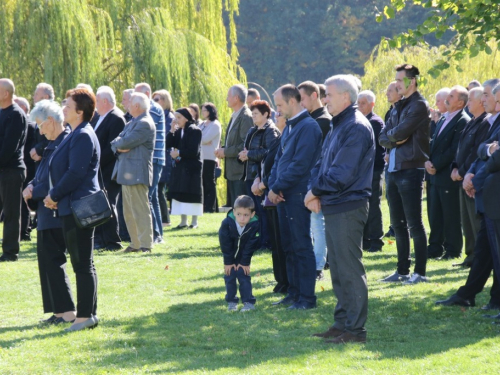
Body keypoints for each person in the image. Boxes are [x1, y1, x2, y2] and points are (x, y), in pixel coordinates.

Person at [306, 74, 374, 345]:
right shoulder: (339, 124)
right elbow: (321, 164)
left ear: (346, 97)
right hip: (335, 203)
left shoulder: (356, 127)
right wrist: (315, 190)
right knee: (338, 269)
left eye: (329, 95)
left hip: (348, 204)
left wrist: (315, 191)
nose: (325, 100)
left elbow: (340, 174)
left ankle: (355, 331)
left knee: (348, 269)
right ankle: (342, 324)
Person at [436, 79, 500, 310]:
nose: (484, 100)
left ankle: (493, 300)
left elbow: (494, 158)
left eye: (486, 95)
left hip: (492, 192)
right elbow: (482, 151)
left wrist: (473, 178)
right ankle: (468, 294)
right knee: (485, 250)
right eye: (481, 95)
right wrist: (470, 172)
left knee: (492, 250)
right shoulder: (488, 122)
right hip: (487, 193)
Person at [43, 88, 100, 331]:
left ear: (80, 111)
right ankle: (88, 315)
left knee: (82, 264)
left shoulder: (83, 135)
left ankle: (85, 316)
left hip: (78, 207)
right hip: (71, 206)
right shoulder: (75, 133)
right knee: (83, 262)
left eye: (67, 105)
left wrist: (54, 194)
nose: (63, 108)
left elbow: (75, 173)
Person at [268, 84, 322, 310]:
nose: (277, 111)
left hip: (297, 194)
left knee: (301, 246)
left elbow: (300, 165)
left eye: (279, 105)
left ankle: (307, 298)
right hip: (283, 194)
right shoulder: (290, 127)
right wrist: (273, 186)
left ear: (292, 101)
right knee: (288, 246)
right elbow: (278, 161)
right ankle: (294, 292)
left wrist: (277, 187)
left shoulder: (309, 127)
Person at [23, 99, 76, 324]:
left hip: (56, 212)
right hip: (45, 213)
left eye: (41, 125)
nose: (39, 130)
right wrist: (31, 185)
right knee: (46, 262)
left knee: (54, 261)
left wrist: (34, 191)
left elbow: (59, 179)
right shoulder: (51, 144)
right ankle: (57, 311)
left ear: (51, 122)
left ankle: (67, 312)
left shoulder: (64, 143)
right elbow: (41, 174)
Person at [379, 63, 431, 284]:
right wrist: (394, 140)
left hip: (410, 169)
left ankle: (420, 272)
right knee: (397, 223)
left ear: (412, 81)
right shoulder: (397, 106)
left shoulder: (419, 105)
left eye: (400, 80)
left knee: (414, 223)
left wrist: (394, 138)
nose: (397, 84)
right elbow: (384, 136)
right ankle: (402, 271)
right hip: (392, 170)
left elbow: (401, 132)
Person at [426, 86, 470, 260]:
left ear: (460, 102)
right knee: (435, 213)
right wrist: (427, 160)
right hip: (435, 174)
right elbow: (433, 142)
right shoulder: (445, 117)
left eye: (451, 96)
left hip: (446, 174)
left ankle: (453, 249)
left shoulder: (462, 120)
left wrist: (435, 164)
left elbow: (454, 149)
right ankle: (435, 247)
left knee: (450, 214)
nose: (447, 99)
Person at [111, 92, 155, 253]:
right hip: (127, 172)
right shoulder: (132, 123)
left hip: (137, 172)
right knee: (128, 211)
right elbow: (116, 142)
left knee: (140, 210)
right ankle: (135, 243)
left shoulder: (145, 123)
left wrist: (120, 144)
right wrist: (119, 146)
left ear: (136, 106)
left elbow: (125, 141)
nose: (127, 105)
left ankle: (145, 244)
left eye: (129, 103)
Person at [451, 87, 488, 267]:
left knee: (475, 221)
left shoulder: (485, 123)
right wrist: (455, 167)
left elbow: (476, 152)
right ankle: (470, 256)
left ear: (481, 102)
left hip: (471, 178)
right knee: (466, 220)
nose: (468, 104)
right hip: (462, 176)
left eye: (471, 101)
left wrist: (463, 171)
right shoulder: (472, 121)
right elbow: (461, 149)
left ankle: (479, 258)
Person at [297, 80, 332, 279]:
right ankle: (314, 263)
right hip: (309, 178)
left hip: (317, 179)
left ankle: (318, 265)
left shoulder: (323, 121)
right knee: (313, 225)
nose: (301, 103)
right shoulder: (311, 119)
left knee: (318, 225)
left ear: (315, 95)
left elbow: (317, 154)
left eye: (303, 98)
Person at [252, 111, 288, 293]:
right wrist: (258, 179)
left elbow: (284, 167)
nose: (276, 116)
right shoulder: (279, 139)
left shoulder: (285, 137)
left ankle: (285, 281)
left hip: (280, 193)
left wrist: (265, 184)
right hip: (270, 191)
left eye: (280, 113)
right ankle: (280, 280)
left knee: (282, 242)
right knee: (276, 242)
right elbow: (268, 164)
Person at [238, 100, 279, 249]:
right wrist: (242, 155)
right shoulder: (252, 130)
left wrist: (249, 154)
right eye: (252, 113)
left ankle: (267, 242)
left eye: (256, 114)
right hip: (250, 174)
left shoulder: (270, 131)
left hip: (262, 176)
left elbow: (270, 153)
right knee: (255, 210)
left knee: (263, 210)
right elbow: (247, 149)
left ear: (266, 114)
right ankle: (260, 239)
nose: (253, 116)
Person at [92, 86, 126, 251]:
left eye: (97, 101)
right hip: (100, 169)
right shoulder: (101, 117)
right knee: (101, 204)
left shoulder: (116, 118)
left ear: (104, 101)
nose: (95, 104)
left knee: (109, 204)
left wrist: (95, 161)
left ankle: (113, 242)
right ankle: (101, 239)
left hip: (109, 169)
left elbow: (112, 148)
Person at [0, 78, 27, 262]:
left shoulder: (16, 114)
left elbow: (9, 147)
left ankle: (10, 252)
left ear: (5, 93)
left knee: (10, 213)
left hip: (11, 170)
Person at [135, 83, 165, 244]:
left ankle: (155, 234)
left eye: (137, 94)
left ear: (147, 93)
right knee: (151, 197)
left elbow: (141, 129)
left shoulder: (151, 108)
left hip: (154, 158)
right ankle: (157, 233)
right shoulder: (151, 107)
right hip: (153, 158)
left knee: (148, 196)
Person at [219, 195, 260, 312]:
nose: (242, 218)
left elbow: (250, 246)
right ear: (234, 211)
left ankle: (248, 302)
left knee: (243, 273)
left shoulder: (255, 225)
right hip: (230, 254)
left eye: (246, 215)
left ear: (252, 214)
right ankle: (232, 301)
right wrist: (228, 262)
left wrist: (244, 262)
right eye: (239, 214)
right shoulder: (227, 223)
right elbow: (225, 244)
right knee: (229, 274)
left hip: (243, 255)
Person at [215, 85, 253, 206]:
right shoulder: (236, 115)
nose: (226, 99)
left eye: (228, 96)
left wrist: (225, 152)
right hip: (233, 171)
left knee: (241, 208)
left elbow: (245, 146)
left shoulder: (245, 117)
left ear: (236, 98)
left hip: (240, 172)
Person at [357, 90, 385, 253]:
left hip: (373, 169)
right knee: (364, 205)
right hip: (363, 171)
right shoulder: (361, 120)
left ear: (372, 104)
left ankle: (376, 241)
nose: (360, 106)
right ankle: (366, 239)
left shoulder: (374, 122)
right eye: (358, 103)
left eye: (363, 103)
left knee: (373, 204)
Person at [166, 108, 203, 229]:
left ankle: (194, 222)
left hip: (191, 168)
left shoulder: (195, 130)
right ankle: (183, 221)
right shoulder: (178, 131)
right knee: (180, 194)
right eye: (175, 118)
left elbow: (194, 151)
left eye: (179, 118)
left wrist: (179, 153)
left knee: (192, 194)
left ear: (186, 118)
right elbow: (168, 144)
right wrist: (171, 130)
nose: (176, 120)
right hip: (180, 167)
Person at [14, 97, 36, 241]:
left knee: (23, 201)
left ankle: (24, 232)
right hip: (24, 167)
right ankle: (23, 231)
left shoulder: (30, 126)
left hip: (27, 168)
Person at [383, 81, 403, 239]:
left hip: (402, 161)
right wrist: (389, 147)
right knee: (391, 196)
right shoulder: (390, 112)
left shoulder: (404, 111)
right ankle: (394, 226)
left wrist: (391, 144)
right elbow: (383, 137)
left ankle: (402, 228)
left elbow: (402, 136)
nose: (386, 93)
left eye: (390, 91)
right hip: (390, 159)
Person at [153, 89, 175, 225]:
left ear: (165, 101)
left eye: (157, 99)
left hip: (165, 157)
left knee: (160, 188)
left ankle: (165, 219)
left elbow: (166, 138)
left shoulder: (169, 117)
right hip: (160, 156)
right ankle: (162, 218)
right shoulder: (158, 115)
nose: (154, 102)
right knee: (157, 188)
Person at [199, 102, 221, 213]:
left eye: (205, 110)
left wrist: (201, 140)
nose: (203, 113)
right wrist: (201, 140)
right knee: (202, 182)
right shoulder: (202, 124)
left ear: (210, 111)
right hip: (201, 157)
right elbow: (196, 137)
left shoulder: (215, 124)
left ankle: (210, 207)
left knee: (209, 182)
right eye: (202, 110)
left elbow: (205, 139)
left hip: (209, 157)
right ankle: (204, 206)